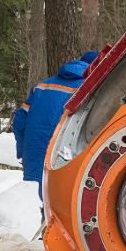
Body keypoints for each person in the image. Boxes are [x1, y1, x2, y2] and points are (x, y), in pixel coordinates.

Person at [13, 51, 97, 197]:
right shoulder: (90, 90)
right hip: (65, 154)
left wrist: (22, 150)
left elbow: (19, 120)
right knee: (60, 203)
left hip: (33, 151)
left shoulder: (42, 86)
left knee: (33, 205)